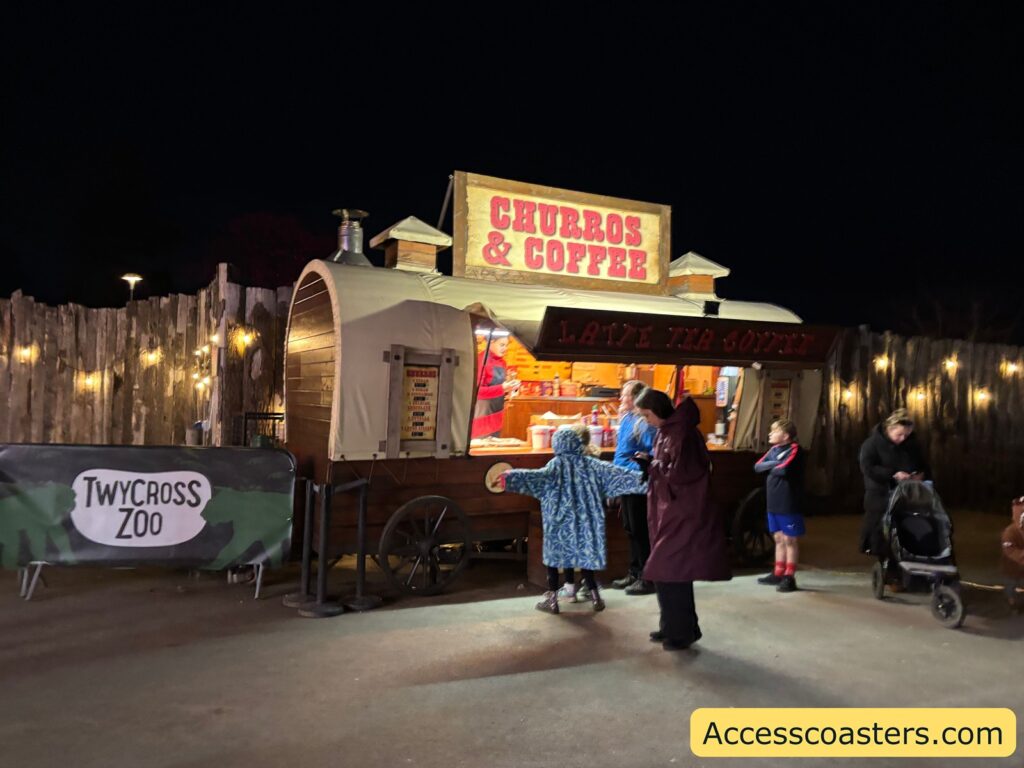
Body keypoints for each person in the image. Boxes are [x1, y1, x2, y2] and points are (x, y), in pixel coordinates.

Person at [501, 424, 647, 614]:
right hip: (587, 521)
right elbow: (619, 475)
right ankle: (595, 596)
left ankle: (553, 601)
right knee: (585, 557)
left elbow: (535, 478)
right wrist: (647, 478)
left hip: (559, 522)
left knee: (555, 559)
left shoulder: (555, 465)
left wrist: (508, 478)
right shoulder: (592, 464)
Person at [634, 388, 731, 650]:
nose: (646, 421)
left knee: (670, 571)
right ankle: (675, 627)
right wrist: (652, 464)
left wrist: (651, 466)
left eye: (646, 415)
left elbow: (683, 475)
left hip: (683, 512)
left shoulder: (683, 434)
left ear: (657, 410)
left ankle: (681, 633)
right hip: (671, 511)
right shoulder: (670, 431)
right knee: (669, 572)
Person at [858, 408, 930, 557]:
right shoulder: (872, 444)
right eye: (899, 435)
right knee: (880, 526)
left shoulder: (912, 444)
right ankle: (882, 558)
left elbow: (923, 463)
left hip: (908, 492)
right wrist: (892, 474)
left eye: (906, 435)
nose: (903, 438)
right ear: (890, 429)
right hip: (880, 492)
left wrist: (920, 475)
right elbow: (867, 467)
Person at [610, 380, 658, 595]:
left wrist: (643, 461)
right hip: (623, 478)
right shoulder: (627, 418)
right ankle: (634, 571)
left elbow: (654, 450)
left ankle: (648, 577)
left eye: (626, 395)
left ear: (637, 398)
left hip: (638, 479)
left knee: (640, 529)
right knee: (630, 528)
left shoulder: (645, 422)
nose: (622, 398)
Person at [753, 419, 805, 592]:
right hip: (773, 500)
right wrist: (774, 464)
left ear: (786, 435)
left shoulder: (795, 450)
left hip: (788, 501)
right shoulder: (774, 450)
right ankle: (778, 572)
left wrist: (773, 466)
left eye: (774, 431)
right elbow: (758, 467)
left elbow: (784, 470)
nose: (769, 434)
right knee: (778, 538)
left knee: (790, 539)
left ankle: (789, 576)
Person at [472, 334, 519, 439]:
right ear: (491, 342)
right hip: (482, 415)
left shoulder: (502, 362)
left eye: (506, 345)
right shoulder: (481, 360)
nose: (505, 349)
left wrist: (510, 390)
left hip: (497, 414)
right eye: (502, 345)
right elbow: (477, 391)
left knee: (495, 446)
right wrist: (502, 388)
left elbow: (500, 387)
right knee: (482, 447)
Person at [1001, 496, 1024, 609]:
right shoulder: (1009, 532)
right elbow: (1010, 550)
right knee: (1011, 587)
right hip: (1012, 569)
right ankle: (1012, 604)